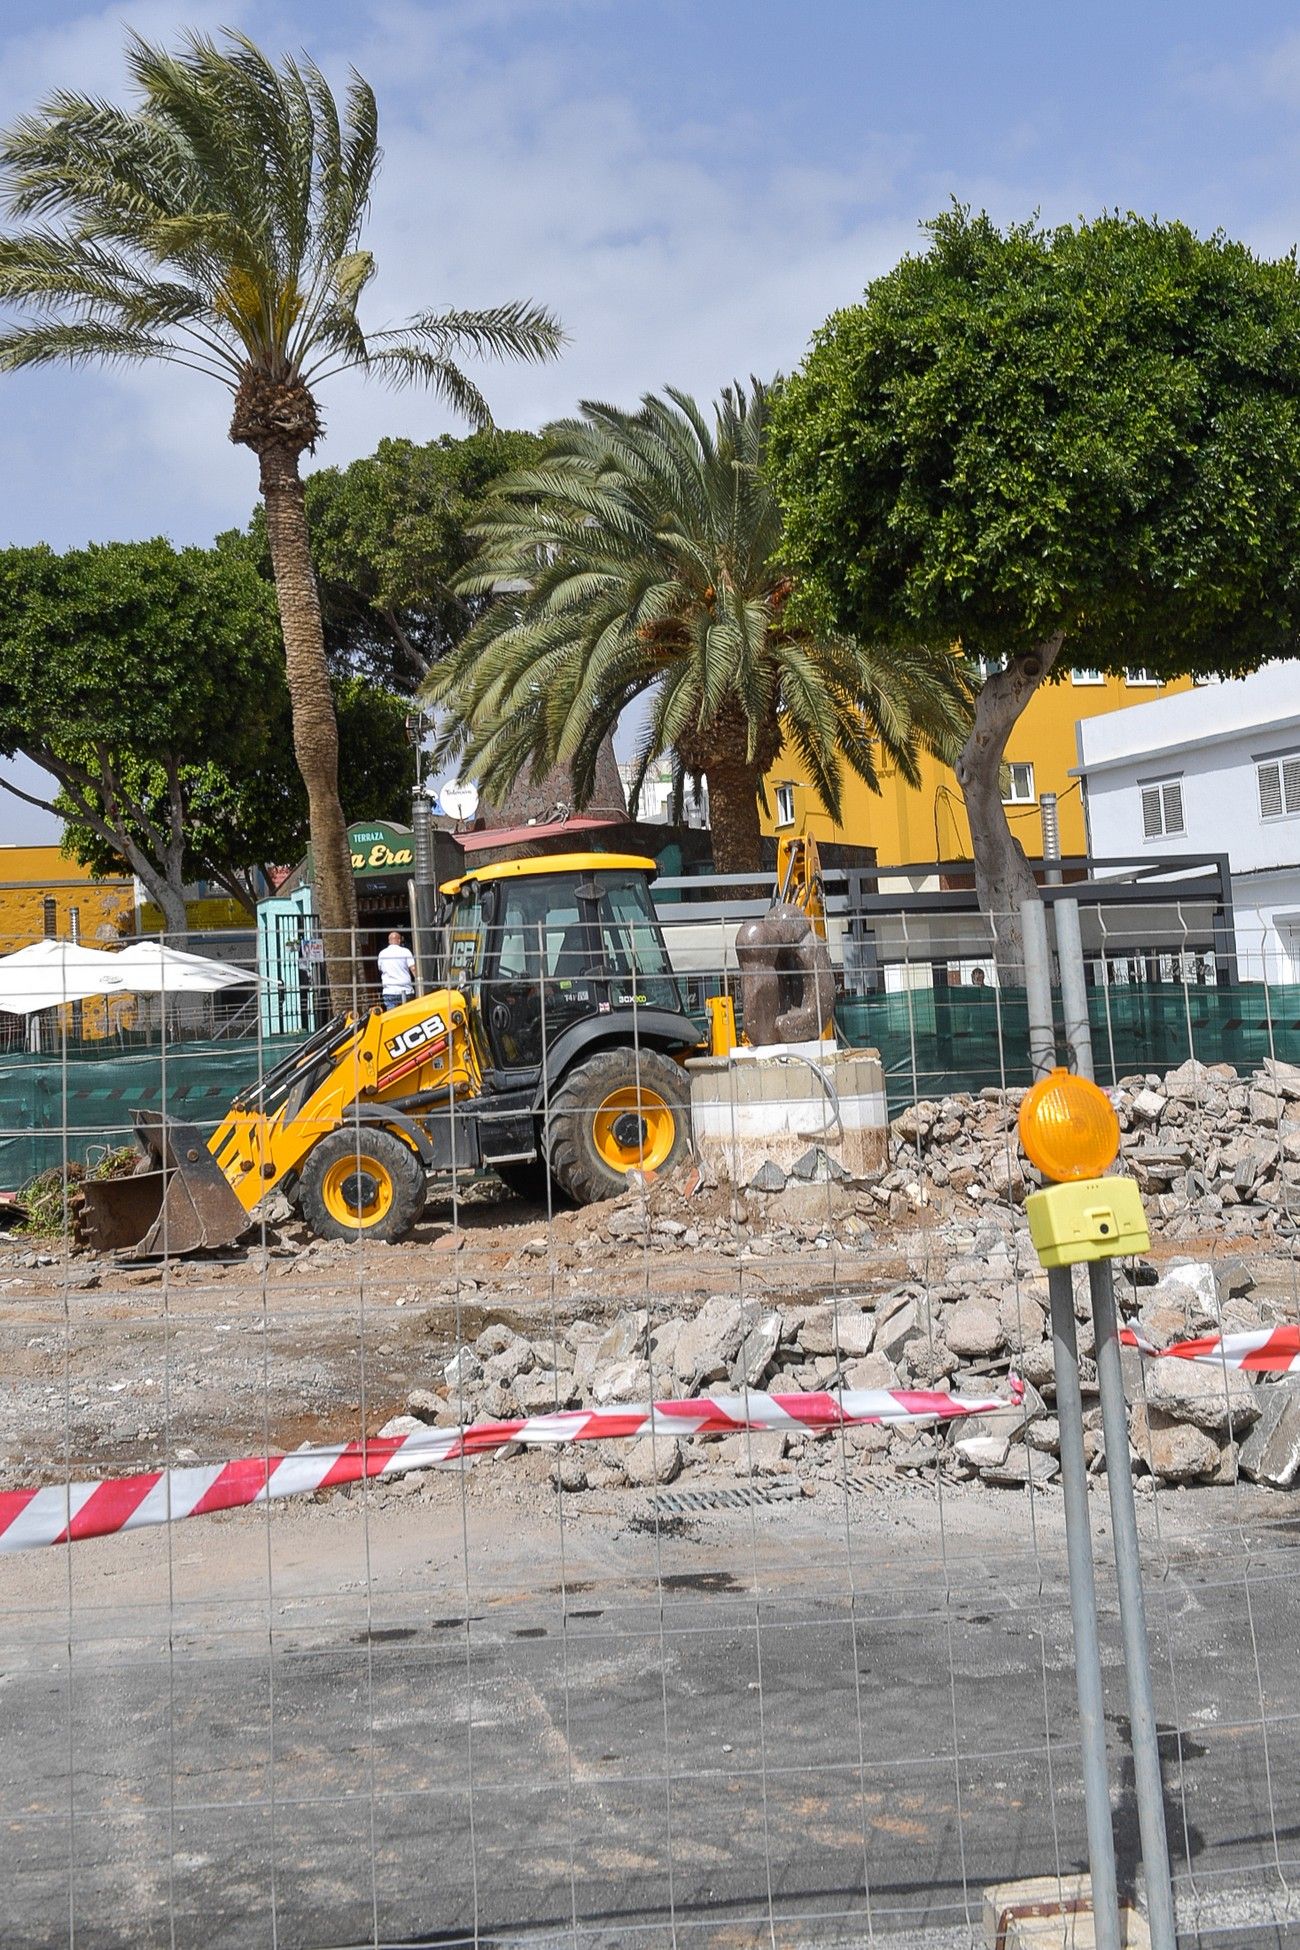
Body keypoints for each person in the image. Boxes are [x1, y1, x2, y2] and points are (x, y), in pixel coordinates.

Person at [377, 930, 417, 1010]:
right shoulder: (406, 951)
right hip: (406, 990)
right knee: (408, 1016)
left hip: (389, 991)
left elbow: (380, 969)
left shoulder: (382, 954)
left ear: (389, 941)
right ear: (399, 940)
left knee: (392, 1018)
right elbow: (413, 968)